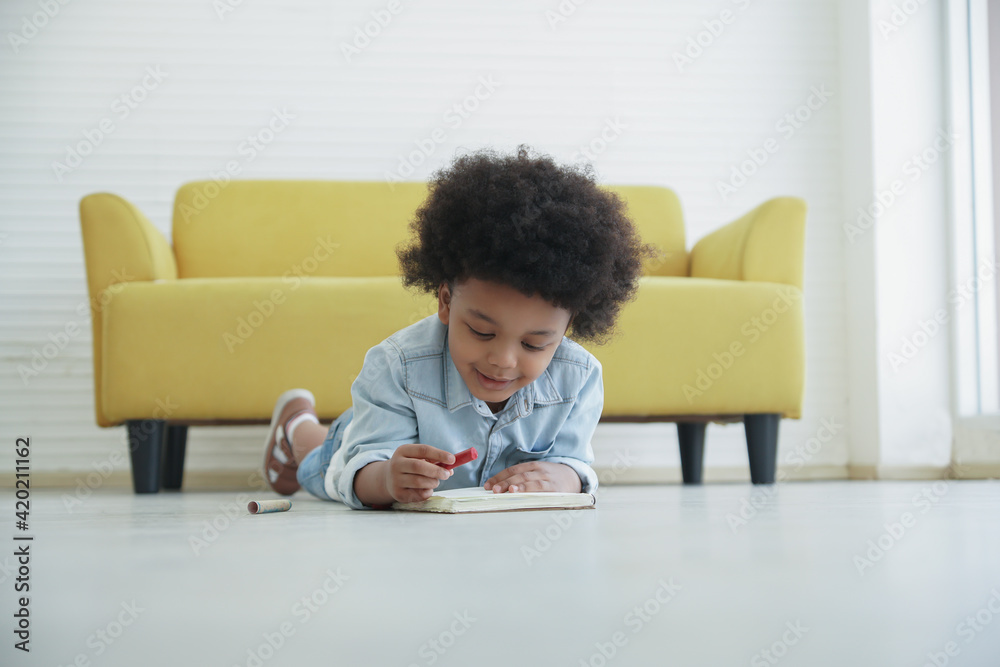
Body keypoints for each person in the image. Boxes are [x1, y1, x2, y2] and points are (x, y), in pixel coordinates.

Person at [262, 144, 654, 509]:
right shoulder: (396, 366)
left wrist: (564, 478)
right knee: (319, 465)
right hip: (376, 432)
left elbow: (574, 461)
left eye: (535, 344)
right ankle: (296, 426)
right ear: (446, 302)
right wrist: (386, 479)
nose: (502, 360)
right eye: (482, 332)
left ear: (568, 329)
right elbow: (360, 470)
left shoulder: (580, 378)